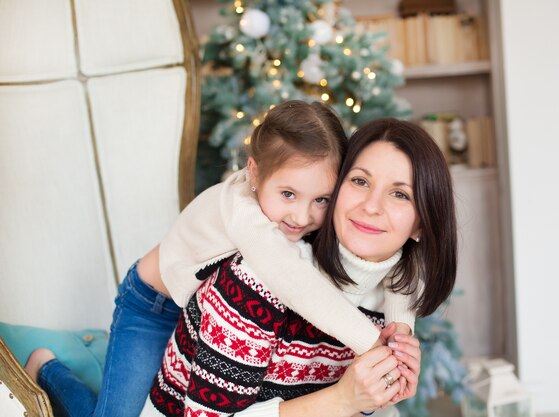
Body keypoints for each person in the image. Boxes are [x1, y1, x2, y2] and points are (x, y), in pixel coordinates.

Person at [25, 101, 416, 417]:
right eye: (288, 195)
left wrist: (401, 332)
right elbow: (288, 279)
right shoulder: (243, 211)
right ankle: (48, 371)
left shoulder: (300, 227)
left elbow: (405, 269)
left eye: (322, 200)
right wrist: (372, 342)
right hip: (150, 304)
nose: (302, 217)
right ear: (255, 173)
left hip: (193, 308)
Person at [141, 118, 457, 417]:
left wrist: (379, 389)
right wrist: (342, 399)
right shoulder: (256, 278)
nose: (371, 206)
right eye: (360, 181)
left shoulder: (389, 307)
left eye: (400, 194)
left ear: (422, 226)